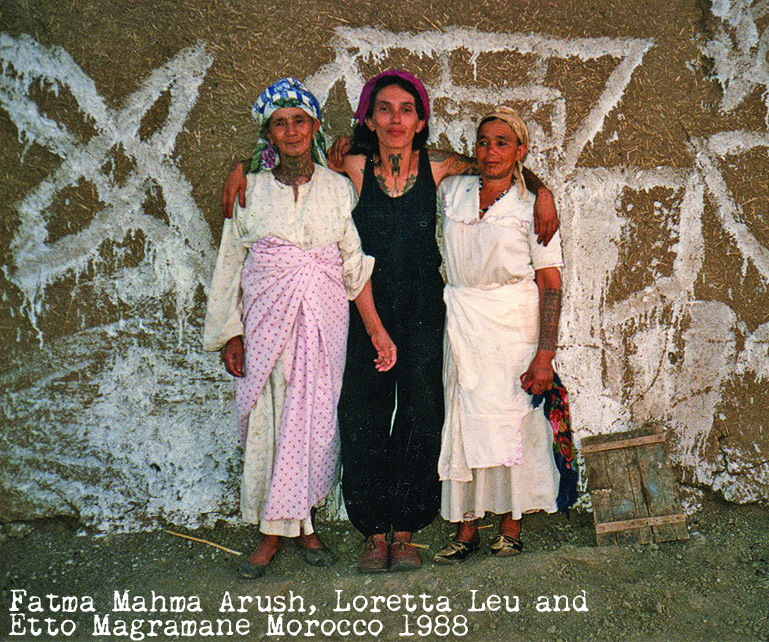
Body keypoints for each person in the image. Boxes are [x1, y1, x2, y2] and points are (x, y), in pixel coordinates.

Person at [220, 70, 560, 573]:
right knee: (364, 413)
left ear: (420, 119)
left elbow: (499, 163)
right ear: (369, 118)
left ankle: (406, 529)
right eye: (384, 109)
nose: (395, 119)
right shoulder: (350, 167)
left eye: (405, 109)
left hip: (425, 306)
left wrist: (543, 188)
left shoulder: (439, 166)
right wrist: (239, 166)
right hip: (363, 306)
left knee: (422, 411)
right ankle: (373, 531)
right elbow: (286, 156)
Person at [203, 78, 396, 579]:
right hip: (267, 324)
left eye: (300, 121)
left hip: (322, 322)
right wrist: (230, 332)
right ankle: (270, 533)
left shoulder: (336, 188)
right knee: (271, 421)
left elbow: (352, 264)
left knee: (311, 422)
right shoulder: (250, 189)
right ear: (267, 133)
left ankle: (304, 523)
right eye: (280, 123)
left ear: (313, 127)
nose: (291, 132)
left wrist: (375, 331)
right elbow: (230, 263)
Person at [432, 107, 563, 563]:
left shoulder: (532, 209)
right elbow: (419, 156)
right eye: (483, 141)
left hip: (514, 324)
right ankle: (466, 526)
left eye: (503, 142)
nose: (491, 151)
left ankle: (511, 524)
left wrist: (544, 355)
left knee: (514, 421)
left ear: (521, 151)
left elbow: (551, 283)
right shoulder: (452, 191)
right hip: (463, 318)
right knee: (465, 418)